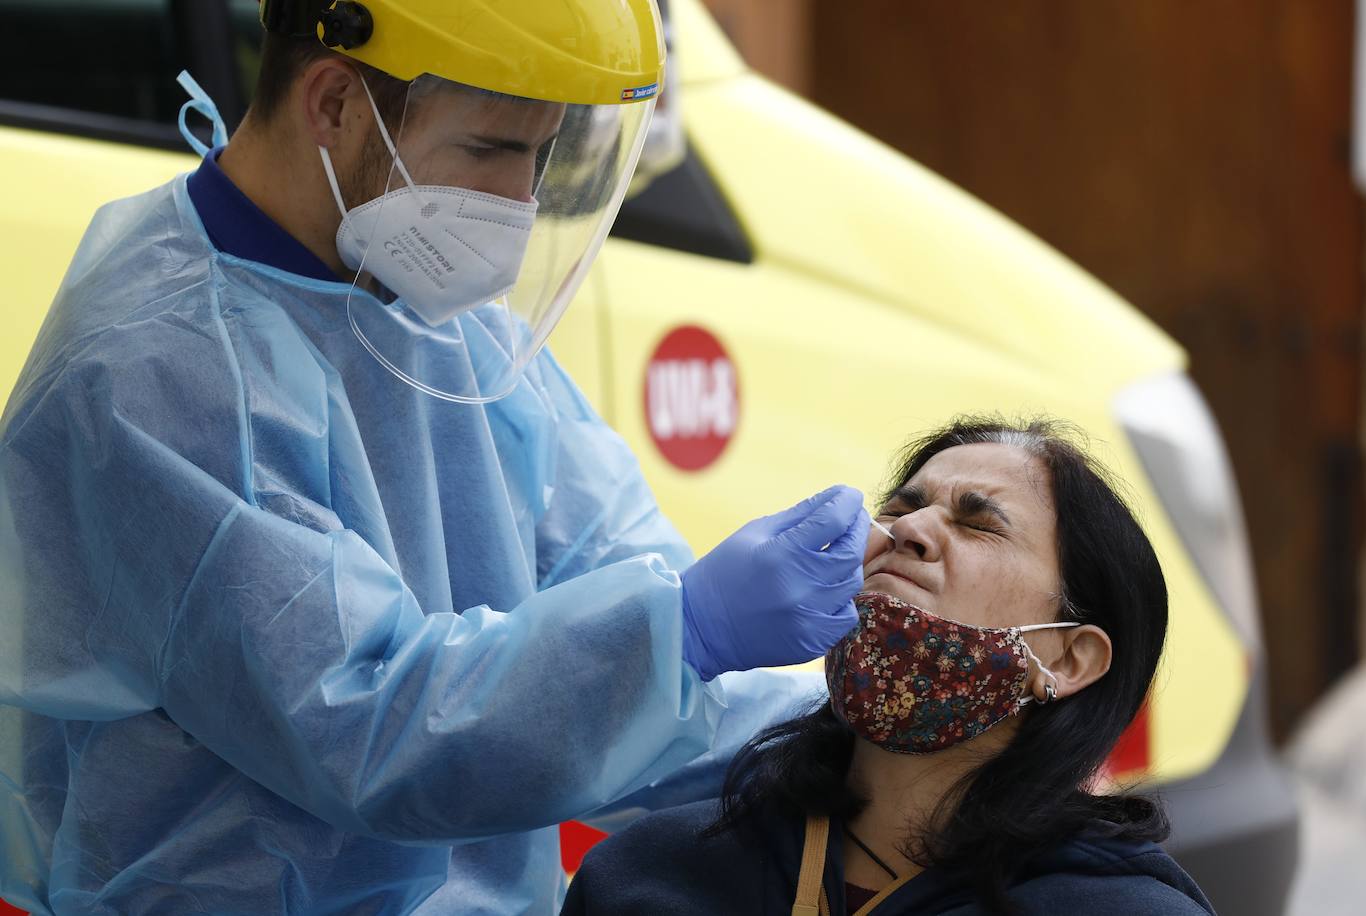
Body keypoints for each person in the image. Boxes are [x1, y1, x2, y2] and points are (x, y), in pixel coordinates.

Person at [0, 2, 868, 913]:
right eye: (490, 150)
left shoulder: (424, 309)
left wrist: (839, 731)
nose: (520, 202)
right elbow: (376, 728)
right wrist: (684, 635)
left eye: (542, 155)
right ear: (333, 104)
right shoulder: (156, 371)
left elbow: (606, 589)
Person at [563, 417, 1217, 916]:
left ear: (1070, 659)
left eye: (978, 524)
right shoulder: (647, 876)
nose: (906, 532)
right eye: (901, 509)